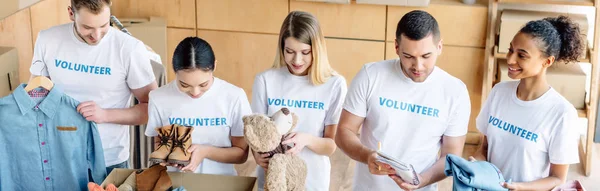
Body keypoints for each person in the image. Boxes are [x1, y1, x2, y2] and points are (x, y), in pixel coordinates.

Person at [335, 10, 471, 191]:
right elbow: (344, 131)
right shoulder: (370, 76)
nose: (418, 66)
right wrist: (366, 155)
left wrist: (422, 180)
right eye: (408, 56)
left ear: (439, 47)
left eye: (426, 56)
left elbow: (451, 155)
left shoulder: (455, 92)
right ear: (397, 47)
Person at [29, 0, 158, 174]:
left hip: (109, 159)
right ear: (71, 13)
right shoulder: (47, 40)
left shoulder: (129, 49)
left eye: (104, 25)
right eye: (87, 27)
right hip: (59, 156)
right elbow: (34, 96)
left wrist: (104, 115)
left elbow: (153, 109)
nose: (96, 35)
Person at [471, 15, 583, 190]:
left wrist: (519, 187)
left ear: (547, 61)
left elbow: (558, 179)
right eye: (510, 50)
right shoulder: (499, 92)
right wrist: (474, 164)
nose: (510, 60)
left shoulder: (562, 113)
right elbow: (484, 148)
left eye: (521, 55)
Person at [250, 11, 347, 191]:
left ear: (317, 49)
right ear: (281, 48)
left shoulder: (334, 84)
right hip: (273, 181)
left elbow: (330, 146)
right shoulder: (265, 80)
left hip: (313, 182)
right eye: (290, 51)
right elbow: (255, 133)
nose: (297, 60)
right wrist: (256, 154)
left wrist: (306, 140)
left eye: (305, 52)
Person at [145, 37, 251, 175]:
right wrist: (167, 159)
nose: (195, 92)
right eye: (184, 85)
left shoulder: (234, 97)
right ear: (174, 70)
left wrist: (205, 151)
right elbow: (158, 145)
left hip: (220, 183)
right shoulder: (158, 98)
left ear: (214, 65)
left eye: (203, 85)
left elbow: (241, 154)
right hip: (175, 184)